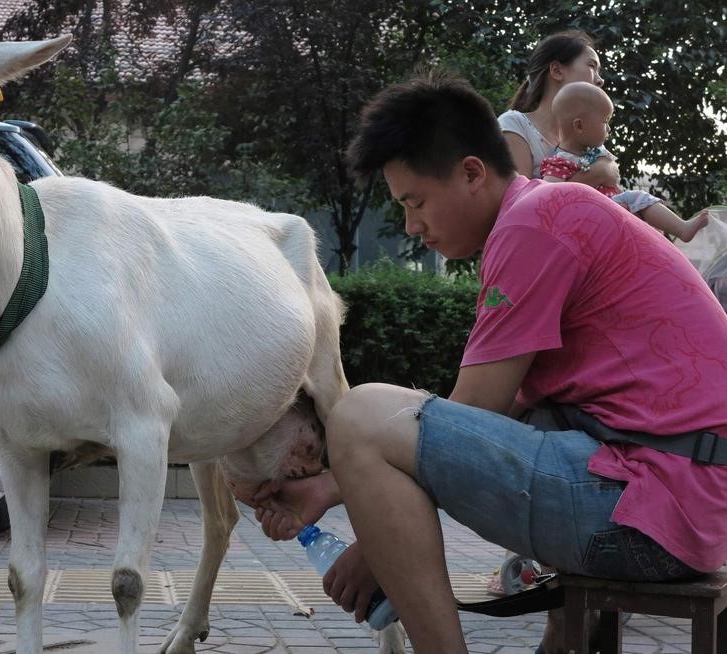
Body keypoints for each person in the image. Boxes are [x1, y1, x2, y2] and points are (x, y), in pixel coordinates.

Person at [252, 71, 727, 653]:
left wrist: (377, 549)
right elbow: (483, 425)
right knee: (440, 421)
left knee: (359, 414)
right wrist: (330, 488)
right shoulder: (552, 212)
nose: (412, 226)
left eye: (415, 202)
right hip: (685, 503)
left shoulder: (535, 224)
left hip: (655, 509)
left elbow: (468, 413)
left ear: (473, 172)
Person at [541, 81, 709, 242]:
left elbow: (615, 188)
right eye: (605, 121)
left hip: (610, 212)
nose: (609, 128)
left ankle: (680, 228)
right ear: (579, 126)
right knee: (637, 197)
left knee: (636, 200)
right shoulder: (559, 163)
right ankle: (680, 229)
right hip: (592, 218)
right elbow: (549, 196)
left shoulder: (596, 153)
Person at [498, 30, 616, 189]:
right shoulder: (515, 125)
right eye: (591, 66)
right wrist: (597, 174)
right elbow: (519, 204)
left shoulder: (587, 137)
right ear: (557, 71)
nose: (601, 80)